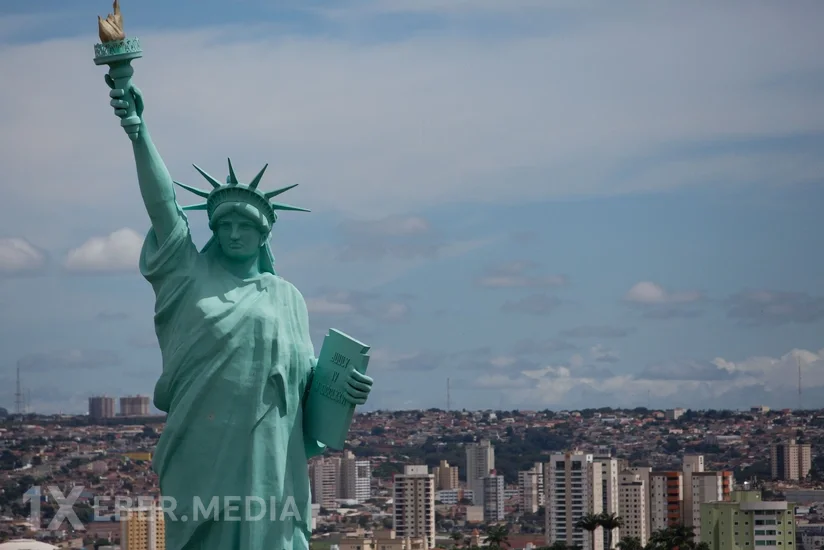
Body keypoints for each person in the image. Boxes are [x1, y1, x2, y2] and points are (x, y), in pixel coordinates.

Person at [106, 77, 373, 550]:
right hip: (200, 439)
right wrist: (138, 131)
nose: (233, 233)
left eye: (244, 226)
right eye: (223, 224)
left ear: (264, 234)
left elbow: (304, 379)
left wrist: (343, 388)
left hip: (270, 447)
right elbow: (163, 206)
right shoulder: (187, 277)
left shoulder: (286, 296)